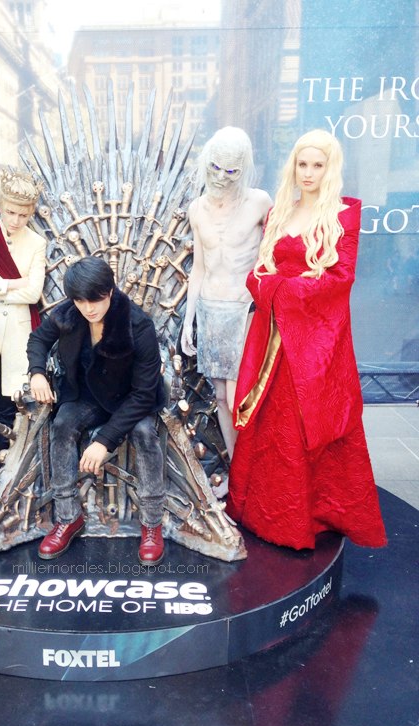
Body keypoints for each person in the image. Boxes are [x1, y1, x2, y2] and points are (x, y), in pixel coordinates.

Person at [226, 130, 386, 550]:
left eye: (318, 165)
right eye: (303, 164)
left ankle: (309, 518)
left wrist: (278, 288)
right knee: (269, 423)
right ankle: (260, 513)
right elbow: (257, 275)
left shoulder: (344, 215)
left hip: (316, 340)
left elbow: (340, 278)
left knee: (307, 420)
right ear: (293, 166)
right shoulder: (280, 212)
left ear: (330, 168)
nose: (309, 172)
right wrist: (271, 286)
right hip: (273, 340)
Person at [26, 256, 167, 565]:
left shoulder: (138, 324)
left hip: (131, 400)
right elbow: (38, 339)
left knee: (145, 434)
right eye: (80, 301)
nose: (88, 308)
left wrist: (104, 440)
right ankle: (68, 518)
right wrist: (36, 372)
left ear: (110, 291)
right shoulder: (69, 312)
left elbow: (144, 394)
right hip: (87, 394)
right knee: (62, 425)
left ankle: (152, 523)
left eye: (95, 299)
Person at [181, 127, 272, 490]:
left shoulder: (259, 202)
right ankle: (239, 477)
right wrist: (188, 320)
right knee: (220, 397)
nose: (221, 177)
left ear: (243, 167)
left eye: (231, 171)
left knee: (240, 400)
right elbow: (199, 268)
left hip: (245, 310)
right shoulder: (197, 208)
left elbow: (277, 255)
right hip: (210, 309)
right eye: (216, 168)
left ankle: (257, 477)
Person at [0, 170, 46, 499]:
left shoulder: (37, 243)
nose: (15, 220)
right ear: (0, 206)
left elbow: (33, 293)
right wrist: (13, 284)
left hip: (17, 334)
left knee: (7, 403)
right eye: (10, 212)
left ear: (32, 214)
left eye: (23, 215)